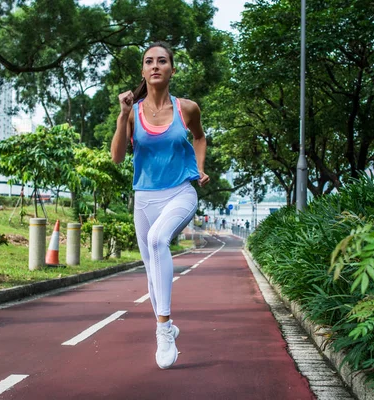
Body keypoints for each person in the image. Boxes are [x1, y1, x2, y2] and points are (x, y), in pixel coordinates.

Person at [111, 41, 210, 369]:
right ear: (143, 70)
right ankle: (167, 325)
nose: (155, 66)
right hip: (144, 198)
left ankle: (164, 330)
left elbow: (200, 137)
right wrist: (123, 115)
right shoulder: (133, 112)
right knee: (152, 275)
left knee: (157, 241)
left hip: (181, 192)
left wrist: (199, 167)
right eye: (149, 61)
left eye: (162, 61)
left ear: (172, 69)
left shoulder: (188, 109)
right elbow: (117, 157)